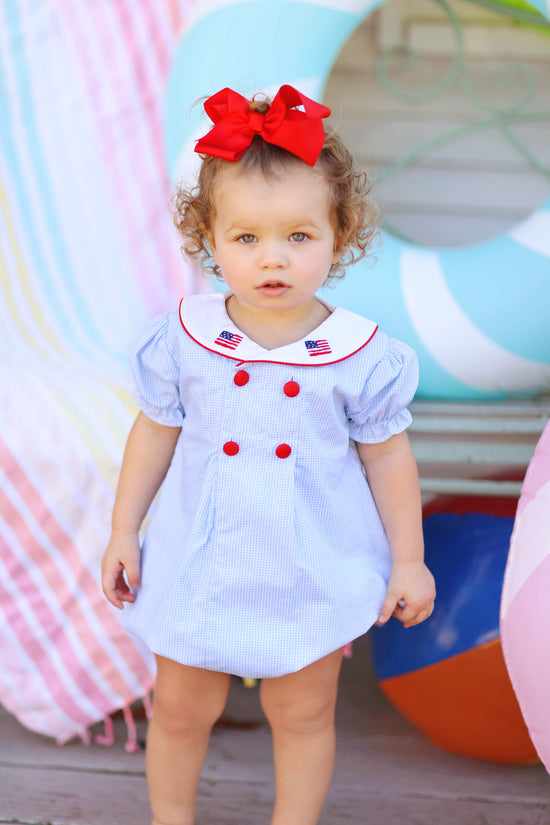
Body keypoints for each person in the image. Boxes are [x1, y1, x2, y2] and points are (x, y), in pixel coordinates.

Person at [101, 84, 436, 825]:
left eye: (298, 236)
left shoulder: (358, 354)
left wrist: (408, 559)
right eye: (246, 238)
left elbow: (388, 460)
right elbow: (154, 431)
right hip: (201, 557)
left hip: (310, 564)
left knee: (305, 711)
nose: (272, 258)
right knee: (183, 709)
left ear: (339, 234)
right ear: (207, 238)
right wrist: (125, 529)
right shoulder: (185, 337)